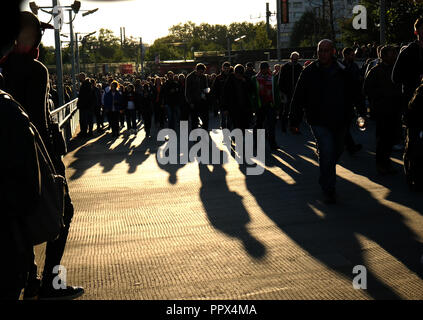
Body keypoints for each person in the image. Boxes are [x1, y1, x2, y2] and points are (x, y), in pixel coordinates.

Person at [0, 11, 84, 300]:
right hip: (40, 159)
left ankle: (32, 277)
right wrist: (53, 163)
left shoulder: (3, 70)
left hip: (9, 163)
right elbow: (37, 121)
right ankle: (51, 281)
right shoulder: (36, 71)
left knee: (20, 221)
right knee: (63, 212)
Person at [289, 39, 366, 204]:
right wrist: (293, 120)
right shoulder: (309, 71)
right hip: (318, 120)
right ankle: (328, 188)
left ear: (333, 52)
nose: (322, 54)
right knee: (327, 151)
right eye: (320, 51)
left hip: (340, 119)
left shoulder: (343, 70)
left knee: (336, 150)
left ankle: (326, 168)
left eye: (326, 50)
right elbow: (298, 96)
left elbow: (355, 93)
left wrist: (361, 112)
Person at [364, 45, 402, 174]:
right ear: (383, 56)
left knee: (391, 138)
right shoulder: (375, 71)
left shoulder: (395, 69)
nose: (394, 57)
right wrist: (381, 95)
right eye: (392, 55)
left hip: (394, 109)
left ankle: (387, 162)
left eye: (394, 54)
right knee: (382, 139)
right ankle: (381, 163)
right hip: (382, 110)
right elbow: (367, 89)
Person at [392, 17, 423, 109]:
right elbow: (395, 77)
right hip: (413, 102)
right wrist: (417, 77)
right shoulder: (407, 52)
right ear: (416, 32)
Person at [251, 61, 279, 150]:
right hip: (260, 105)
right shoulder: (254, 79)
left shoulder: (273, 78)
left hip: (270, 105)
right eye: (263, 69)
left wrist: (277, 106)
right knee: (258, 125)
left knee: (271, 125)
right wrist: (254, 106)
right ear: (260, 69)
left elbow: (276, 93)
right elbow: (252, 93)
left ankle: (272, 144)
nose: (264, 70)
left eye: (266, 69)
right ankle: (257, 144)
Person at [341, 47, 364, 155]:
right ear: (345, 55)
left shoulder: (354, 65)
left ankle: (346, 144)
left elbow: (357, 78)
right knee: (344, 124)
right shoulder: (340, 66)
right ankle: (350, 146)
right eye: (351, 54)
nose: (353, 56)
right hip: (343, 99)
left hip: (352, 98)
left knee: (347, 123)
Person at [278, 52, 303, 133]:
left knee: (296, 111)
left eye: (296, 58)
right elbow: (280, 80)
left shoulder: (299, 67)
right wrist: (282, 92)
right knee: (286, 110)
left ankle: (294, 128)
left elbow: (302, 81)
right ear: (290, 58)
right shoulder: (285, 67)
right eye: (293, 58)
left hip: (297, 93)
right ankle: (283, 127)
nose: (294, 60)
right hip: (287, 92)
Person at [185, 63, 209, 131]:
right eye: (201, 72)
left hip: (202, 101)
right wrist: (190, 102)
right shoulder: (189, 77)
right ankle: (194, 135)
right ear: (197, 70)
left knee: (205, 118)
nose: (202, 73)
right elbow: (187, 92)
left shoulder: (204, 77)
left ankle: (205, 131)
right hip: (193, 102)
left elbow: (206, 87)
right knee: (194, 120)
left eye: (203, 72)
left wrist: (206, 93)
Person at [211, 62, 232, 129]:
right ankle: (225, 132)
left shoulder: (232, 76)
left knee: (230, 119)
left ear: (229, 68)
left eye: (227, 68)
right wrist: (216, 100)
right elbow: (214, 89)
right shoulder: (218, 78)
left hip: (231, 101)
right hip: (222, 101)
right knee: (223, 118)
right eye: (225, 68)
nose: (226, 70)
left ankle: (229, 130)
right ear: (222, 68)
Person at [77, 72, 95, 137]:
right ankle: (88, 132)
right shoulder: (88, 84)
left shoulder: (85, 85)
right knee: (89, 120)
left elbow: (84, 96)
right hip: (87, 105)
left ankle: (84, 132)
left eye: (79, 77)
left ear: (82, 77)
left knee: (84, 120)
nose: (78, 78)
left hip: (85, 106)